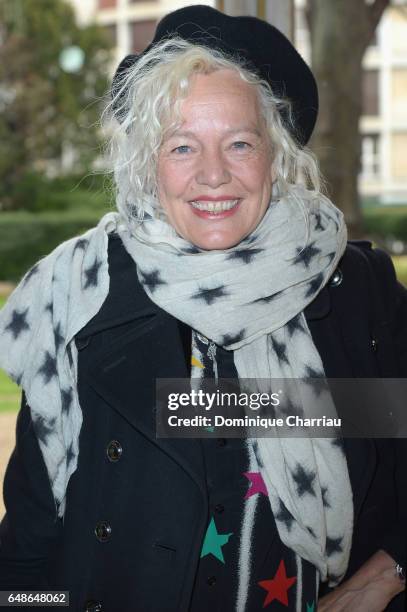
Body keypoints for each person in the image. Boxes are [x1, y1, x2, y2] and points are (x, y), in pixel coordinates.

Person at [0, 5, 406, 612]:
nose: (213, 175)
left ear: (276, 156)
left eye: (239, 143)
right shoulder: (77, 299)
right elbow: (28, 549)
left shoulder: (355, 290)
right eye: (183, 146)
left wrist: (386, 574)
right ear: (147, 164)